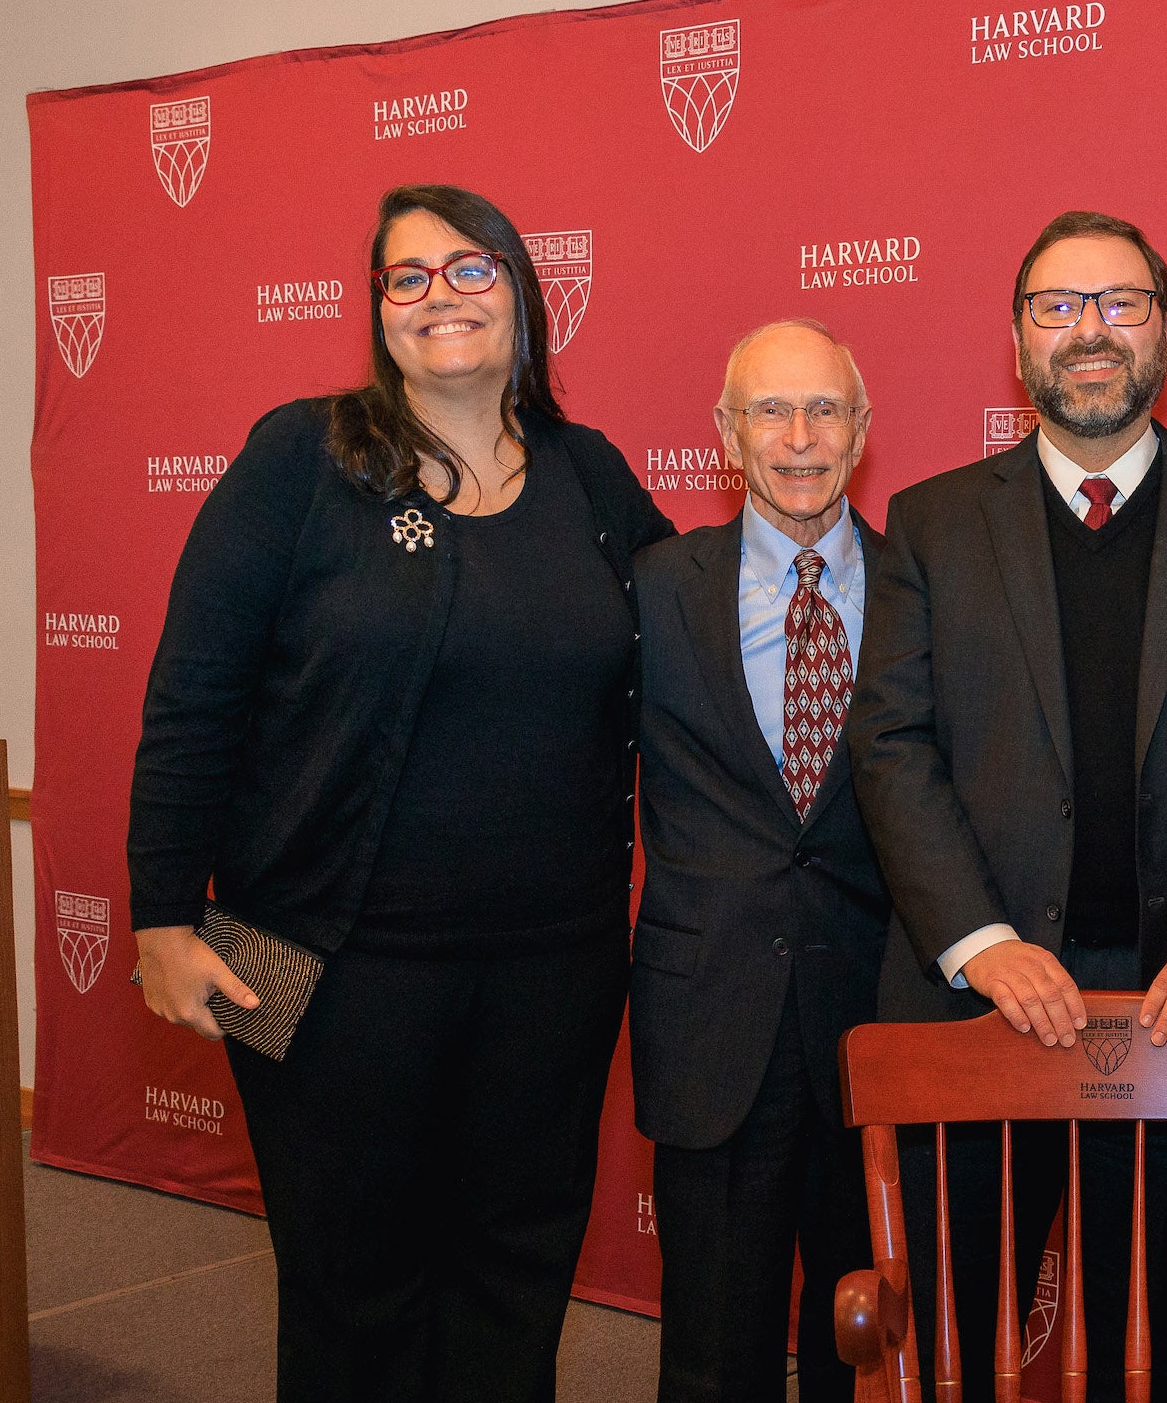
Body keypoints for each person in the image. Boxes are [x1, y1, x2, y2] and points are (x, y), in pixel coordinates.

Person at [127, 183, 674, 1403]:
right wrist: (163, 913)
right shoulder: (300, 457)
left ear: (523, 297)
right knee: (347, 1284)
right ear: (377, 310)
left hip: (552, 968)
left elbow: (696, 633)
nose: (442, 296)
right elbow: (195, 692)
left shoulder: (591, 476)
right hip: (308, 960)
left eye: (471, 269)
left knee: (514, 1276)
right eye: (407, 276)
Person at [848, 210, 1167, 1401]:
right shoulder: (931, 520)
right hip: (975, 1003)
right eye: (1058, 306)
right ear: (1016, 337)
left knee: (1160, 1345)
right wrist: (981, 944)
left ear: (1166, 330)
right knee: (960, 1348)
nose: (1091, 331)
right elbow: (893, 742)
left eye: (1122, 303)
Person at [629, 319, 885, 1403]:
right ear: (725, 434)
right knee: (712, 1347)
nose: (798, 436)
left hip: (876, 1015)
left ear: (863, 430)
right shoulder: (654, 585)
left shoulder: (931, 582)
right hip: (710, 1018)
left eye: (824, 408)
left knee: (864, 1332)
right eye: (769, 411)